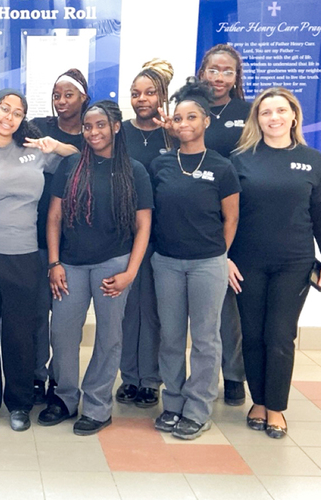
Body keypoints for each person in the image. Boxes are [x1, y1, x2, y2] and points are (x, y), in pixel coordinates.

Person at [0, 89, 74, 432]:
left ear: (23, 119)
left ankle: (19, 403)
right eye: (4, 109)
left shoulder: (34, 152)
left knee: (21, 335)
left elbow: (78, 156)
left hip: (24, 256)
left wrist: (55, 145)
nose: (9, 117)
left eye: (17, 113)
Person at [41, 100, 153, 436]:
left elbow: (143, 225)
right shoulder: (71, 165)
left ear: (116, 127)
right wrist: (54, 263)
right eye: (87, 127)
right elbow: (54, 218)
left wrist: (130, 272)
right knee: (62, 334)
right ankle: (64, 397)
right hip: (70, 266)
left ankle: (97, 405)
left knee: (108, 337)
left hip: (113, 265)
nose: (93, 132)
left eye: (100, 125)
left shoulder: (135, 171)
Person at [229, 87, 321, 439]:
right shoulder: (240, 158)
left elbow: (320, 215)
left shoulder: (313, 160)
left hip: (295, 262)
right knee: (254, 334)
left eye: (280, 111)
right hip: (248, 261)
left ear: (293, 116)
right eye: (265, 112)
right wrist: (226, 258)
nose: (273, 118)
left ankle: (275, 407)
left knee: (280, 335)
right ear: (256, 119)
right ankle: (257, 401)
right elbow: (226, 216)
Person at [149, 78, 240, 440]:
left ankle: (198, 408)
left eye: (192, 117)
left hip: (208, 264)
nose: (184, 123)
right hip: (167, 262)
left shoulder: (221, 167)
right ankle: (172, 403)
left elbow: (230, 218)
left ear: (206, 122)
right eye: (179, 118)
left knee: (205, 339)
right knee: (170, 337)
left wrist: (219, 254)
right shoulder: (161, 164)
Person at [27, 68, 89, 403]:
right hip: (36, 236)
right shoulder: (40, 127)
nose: (61, 101)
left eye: (68, 95)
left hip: (76, 244)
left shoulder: (91, 131)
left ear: (83, 97)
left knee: (64, 324)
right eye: (56, 95)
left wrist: (63, 149)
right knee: (37, 315)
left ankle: (60, 380)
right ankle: (36, 376)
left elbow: (92, 164)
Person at [197, 43, 253, 406]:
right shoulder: (192, 109)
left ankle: (233, 375)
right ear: (202, 72)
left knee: (229, 303)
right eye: (213, 70)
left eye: (227, 71)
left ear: (236, 77)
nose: (219, 77)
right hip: (196, 215)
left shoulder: (247, 112)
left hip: (237, 215)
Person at [116, 59, 174, 408]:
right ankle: (129, 376)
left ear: (161, 96)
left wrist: (174, 133)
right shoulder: (121, 131)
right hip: (125, 233)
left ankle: (150, 379)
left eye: (150, 93)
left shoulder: (173, 131)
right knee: (125, 309)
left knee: (152, 311)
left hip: (164, 235)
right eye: (136, 94)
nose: (142, 99)